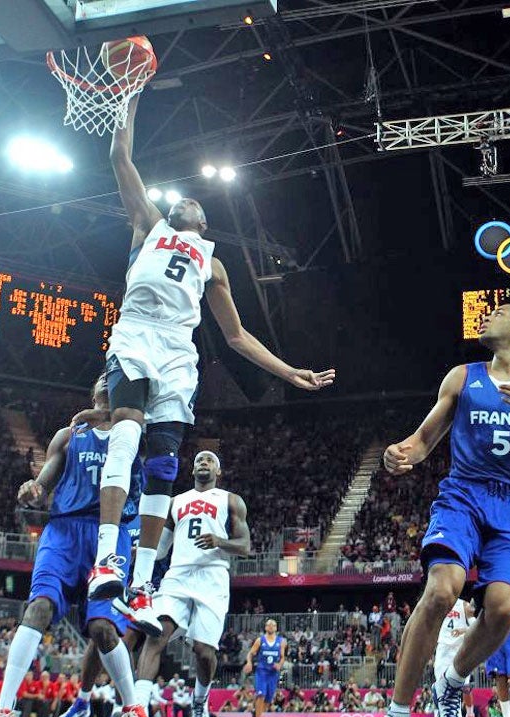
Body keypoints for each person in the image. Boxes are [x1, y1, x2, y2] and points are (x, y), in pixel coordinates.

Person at [87, 90, 335, 637]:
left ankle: (144, 584)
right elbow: (119, 158)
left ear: (204, 222)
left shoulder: (214, 265)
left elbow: (238, 336)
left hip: (179, 349)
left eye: (196, 206)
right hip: (136, 334)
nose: (187, 204)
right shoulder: (148, 224)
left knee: (162, 467)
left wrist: (291, 372)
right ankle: (108, 559)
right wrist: (127, 98)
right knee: (125, 432)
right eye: (182, 203)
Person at [371, 304, 510, 717]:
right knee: (441, 592)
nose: (487, 316)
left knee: (504, 609)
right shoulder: (461, 377)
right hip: (464, 494)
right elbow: (423, 441)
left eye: (498, 313)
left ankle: (453, 680)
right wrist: (400, 454)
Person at [0, 374, 147, 717]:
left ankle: (134, 712)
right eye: (102, 378)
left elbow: (153, 438)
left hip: (110, 532)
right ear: (92, 389)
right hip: (64, 531)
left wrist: (105, 413)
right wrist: (34, 488)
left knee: (104, 629)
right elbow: (44, 481)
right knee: (39, 607)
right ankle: (1, 716)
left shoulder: (136, 430)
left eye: (114, 378)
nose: (108, 379)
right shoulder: (69, 434)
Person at [128, 451, 250, 717]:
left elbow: (245, 546)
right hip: (178, 576)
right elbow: (159, 550)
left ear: (218, 470)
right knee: (155, 636)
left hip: (213, 577)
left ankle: (200, 698)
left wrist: (219, 541)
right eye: (198, 460)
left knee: (204, 651)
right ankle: (138, 714)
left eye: (209, 460)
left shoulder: (230, 500)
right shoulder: (176, 502)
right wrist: (137, 551)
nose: (203, 462)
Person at [431, 598, 477, 717]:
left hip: (460, 648)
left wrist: (463, 630)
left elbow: (476, 627)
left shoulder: (465, 605)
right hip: (443, 648)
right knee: (439, 685)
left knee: (465, 687)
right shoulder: (439, 603)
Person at [243, 618, 286, 717]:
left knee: (267, 701)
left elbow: (282, 657)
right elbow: (250, 653)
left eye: (273, 625)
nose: (271, 626)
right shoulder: (260, 640)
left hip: (273, 674)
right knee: (261, 695)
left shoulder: (281, 641)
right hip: (262, 672)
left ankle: (255, 713)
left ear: (276, 628)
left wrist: (280, 664)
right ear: (266, 627)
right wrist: (249, 662)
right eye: (269, 625)